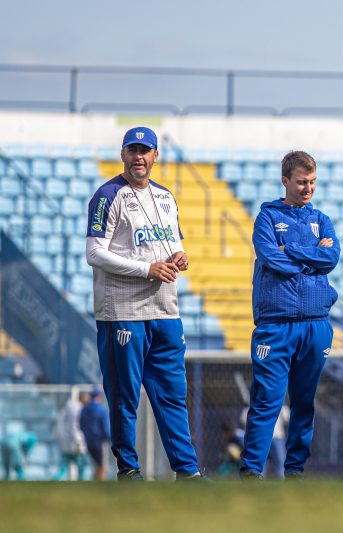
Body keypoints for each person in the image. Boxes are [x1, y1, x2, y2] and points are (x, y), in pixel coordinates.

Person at [85, 126, 202, 481]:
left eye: (145, 150)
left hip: (166, 311)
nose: (139, 157)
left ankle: (188, 472)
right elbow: (94, 253)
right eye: (132, 150)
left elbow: (169, 244)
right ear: (123, 154)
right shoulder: (107, 195)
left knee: (172, 396)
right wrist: (146, 269)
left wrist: (178, 257)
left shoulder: (166, 196)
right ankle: (129, 470)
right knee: (124, 397)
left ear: (155, 156)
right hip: (124, 312)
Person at [239, 150, 340, 480]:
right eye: (301, 182)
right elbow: (271, 258)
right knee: (267, 401)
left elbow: (332, 258)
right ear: (285, 181)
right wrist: (312, 255)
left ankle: (295, 471)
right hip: (276, 326)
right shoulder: (267, 218)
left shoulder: (321, 219)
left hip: (315, 325)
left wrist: (293, 251)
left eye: (312, 182)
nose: (308, 188)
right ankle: (251, 473)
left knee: (305, 403)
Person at [53, 390, 87, 481]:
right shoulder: (77, 408)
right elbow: (74, 427)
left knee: (62, 468)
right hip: (74, 443)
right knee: (81, 466)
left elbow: (59, 427)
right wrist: (78, 442)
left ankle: (53, 482)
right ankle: (82, 485)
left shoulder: (63, 410)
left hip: (65, 444)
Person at [79, 387, 111, 481]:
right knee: (103, 466)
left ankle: (95, 484)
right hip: (100, 441)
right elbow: (105, 428)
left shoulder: (84, 410)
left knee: (97, 465)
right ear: (98, 397)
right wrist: (108, 439)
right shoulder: (101, 410)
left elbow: (81, 425)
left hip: (88, 441)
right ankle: (101, 487)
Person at [264, 403, 290, 479]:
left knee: (280, 460)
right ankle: (259, 480)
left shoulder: (281, 405)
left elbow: (287, 418)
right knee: (263, 462)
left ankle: (281, 478)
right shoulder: (258, 404)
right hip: (263, 437)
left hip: (277, 436)